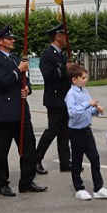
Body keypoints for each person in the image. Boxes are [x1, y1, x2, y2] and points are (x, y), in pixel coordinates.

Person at [0, 25, 46, 197]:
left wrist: (27, 89)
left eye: (13, 38)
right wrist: (18, 71)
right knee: (2, 150)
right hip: (5, 111)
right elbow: (1, 82)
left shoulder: (14, 58)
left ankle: (27, 181)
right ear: (0, 41)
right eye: (9, 38)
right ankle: (2, 183)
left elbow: (25, 81)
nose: (13, 41)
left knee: (28, 146)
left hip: (21, 109)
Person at [65, 64, 107, 201]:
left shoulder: (84, 92)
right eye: (83, 77)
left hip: (87, 130)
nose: (86, 80)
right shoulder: (71, 94)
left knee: (95, 158)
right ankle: (79, 188)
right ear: (74, 80)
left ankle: (98, 188)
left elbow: (87, 111)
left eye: (86, 77)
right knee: (77, 160)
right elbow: (72, 112)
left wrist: (95, 111)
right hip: (76, 132)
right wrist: (88, 104)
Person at [36, 23, 73, 173]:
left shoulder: (61, 54)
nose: (67, 38)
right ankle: (36, 159)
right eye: (65, 35)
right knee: (52, 131)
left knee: (65, 132)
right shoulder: (47, 55)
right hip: (55, 98)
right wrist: (65, 69)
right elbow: (49, 75)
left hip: (64, 98)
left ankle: (65, 162)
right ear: (58, 37)